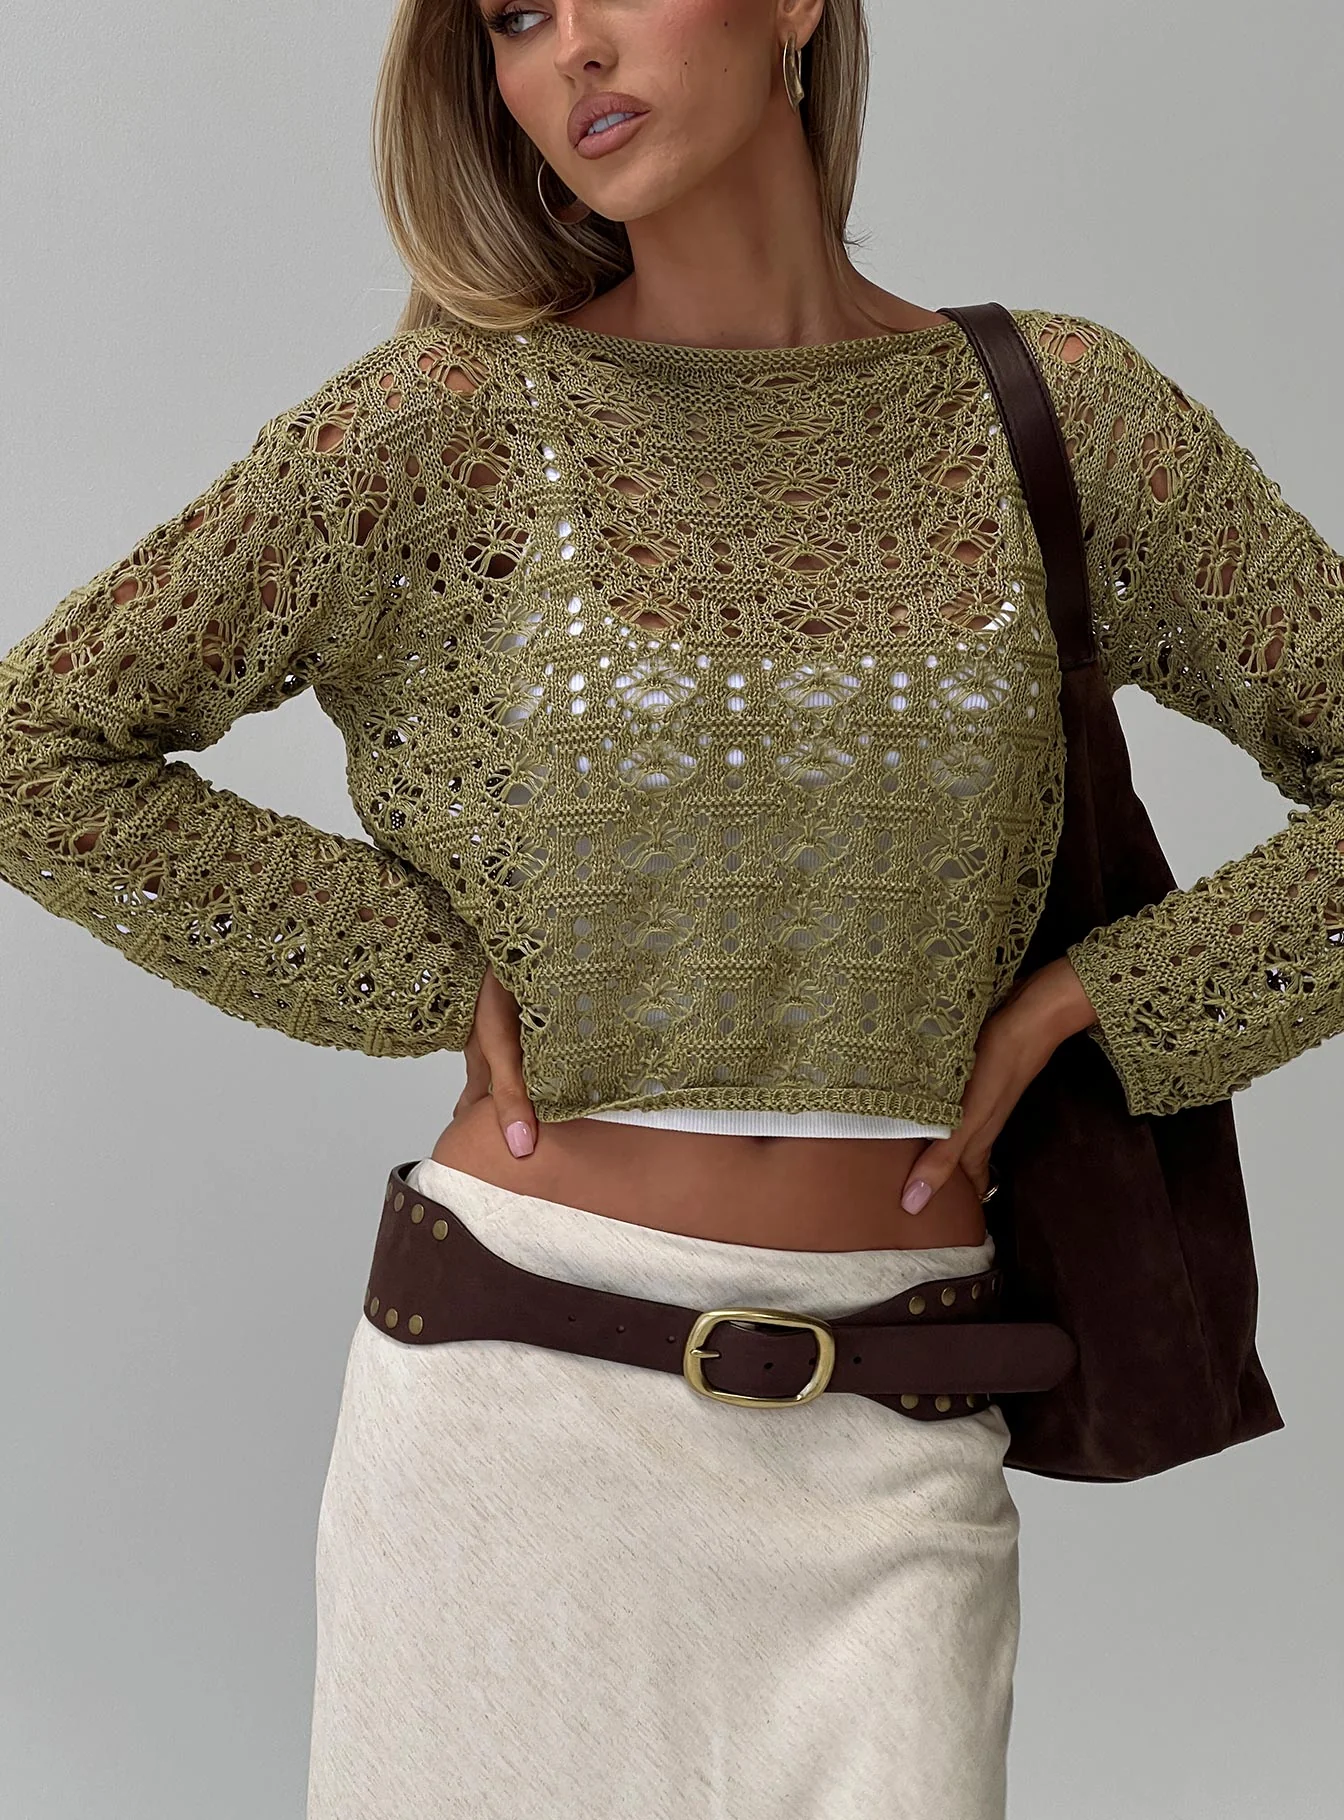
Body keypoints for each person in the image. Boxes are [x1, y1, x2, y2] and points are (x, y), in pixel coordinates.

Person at [2, 3, 1341, 1817]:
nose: (567, 50)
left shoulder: (1057, 412)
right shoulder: (453, 425)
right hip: (508, 1426)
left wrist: (1095, 1002)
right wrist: (409, 969)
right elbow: (38, 745)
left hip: (894, 1440)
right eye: (514, 16)